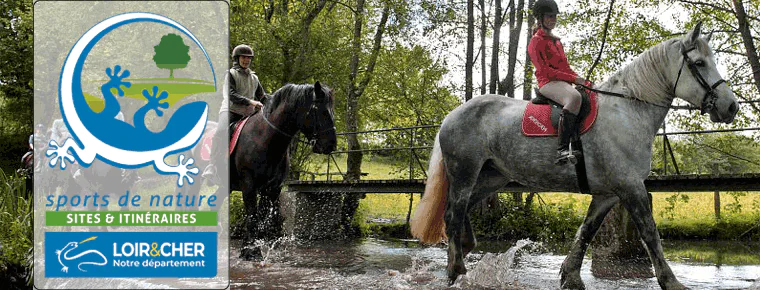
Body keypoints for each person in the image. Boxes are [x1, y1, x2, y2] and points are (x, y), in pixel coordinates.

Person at [527, 0, 587, 165]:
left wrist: (582, 80)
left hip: (562, 83)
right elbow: (544, 70)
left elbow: (565, 68)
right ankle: (562, 149)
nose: (552, 20)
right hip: (547, 83)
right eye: (549, 16)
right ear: (540, 18)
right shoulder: (536, 41)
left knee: (587, 94)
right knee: (574, 98)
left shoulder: (556, 41)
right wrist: (574, 79)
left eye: (554, 16)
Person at [202, 44, 267, 184]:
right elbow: (231, 95)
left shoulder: (254, 77)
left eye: (248, 58)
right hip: (230, 111)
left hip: (248, 115)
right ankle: (211, 166)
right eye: (243, 57)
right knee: (220, 132)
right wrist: (251, 102)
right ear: (237, 58)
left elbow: (262, 97)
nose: (246, 60)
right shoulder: (230, 74)